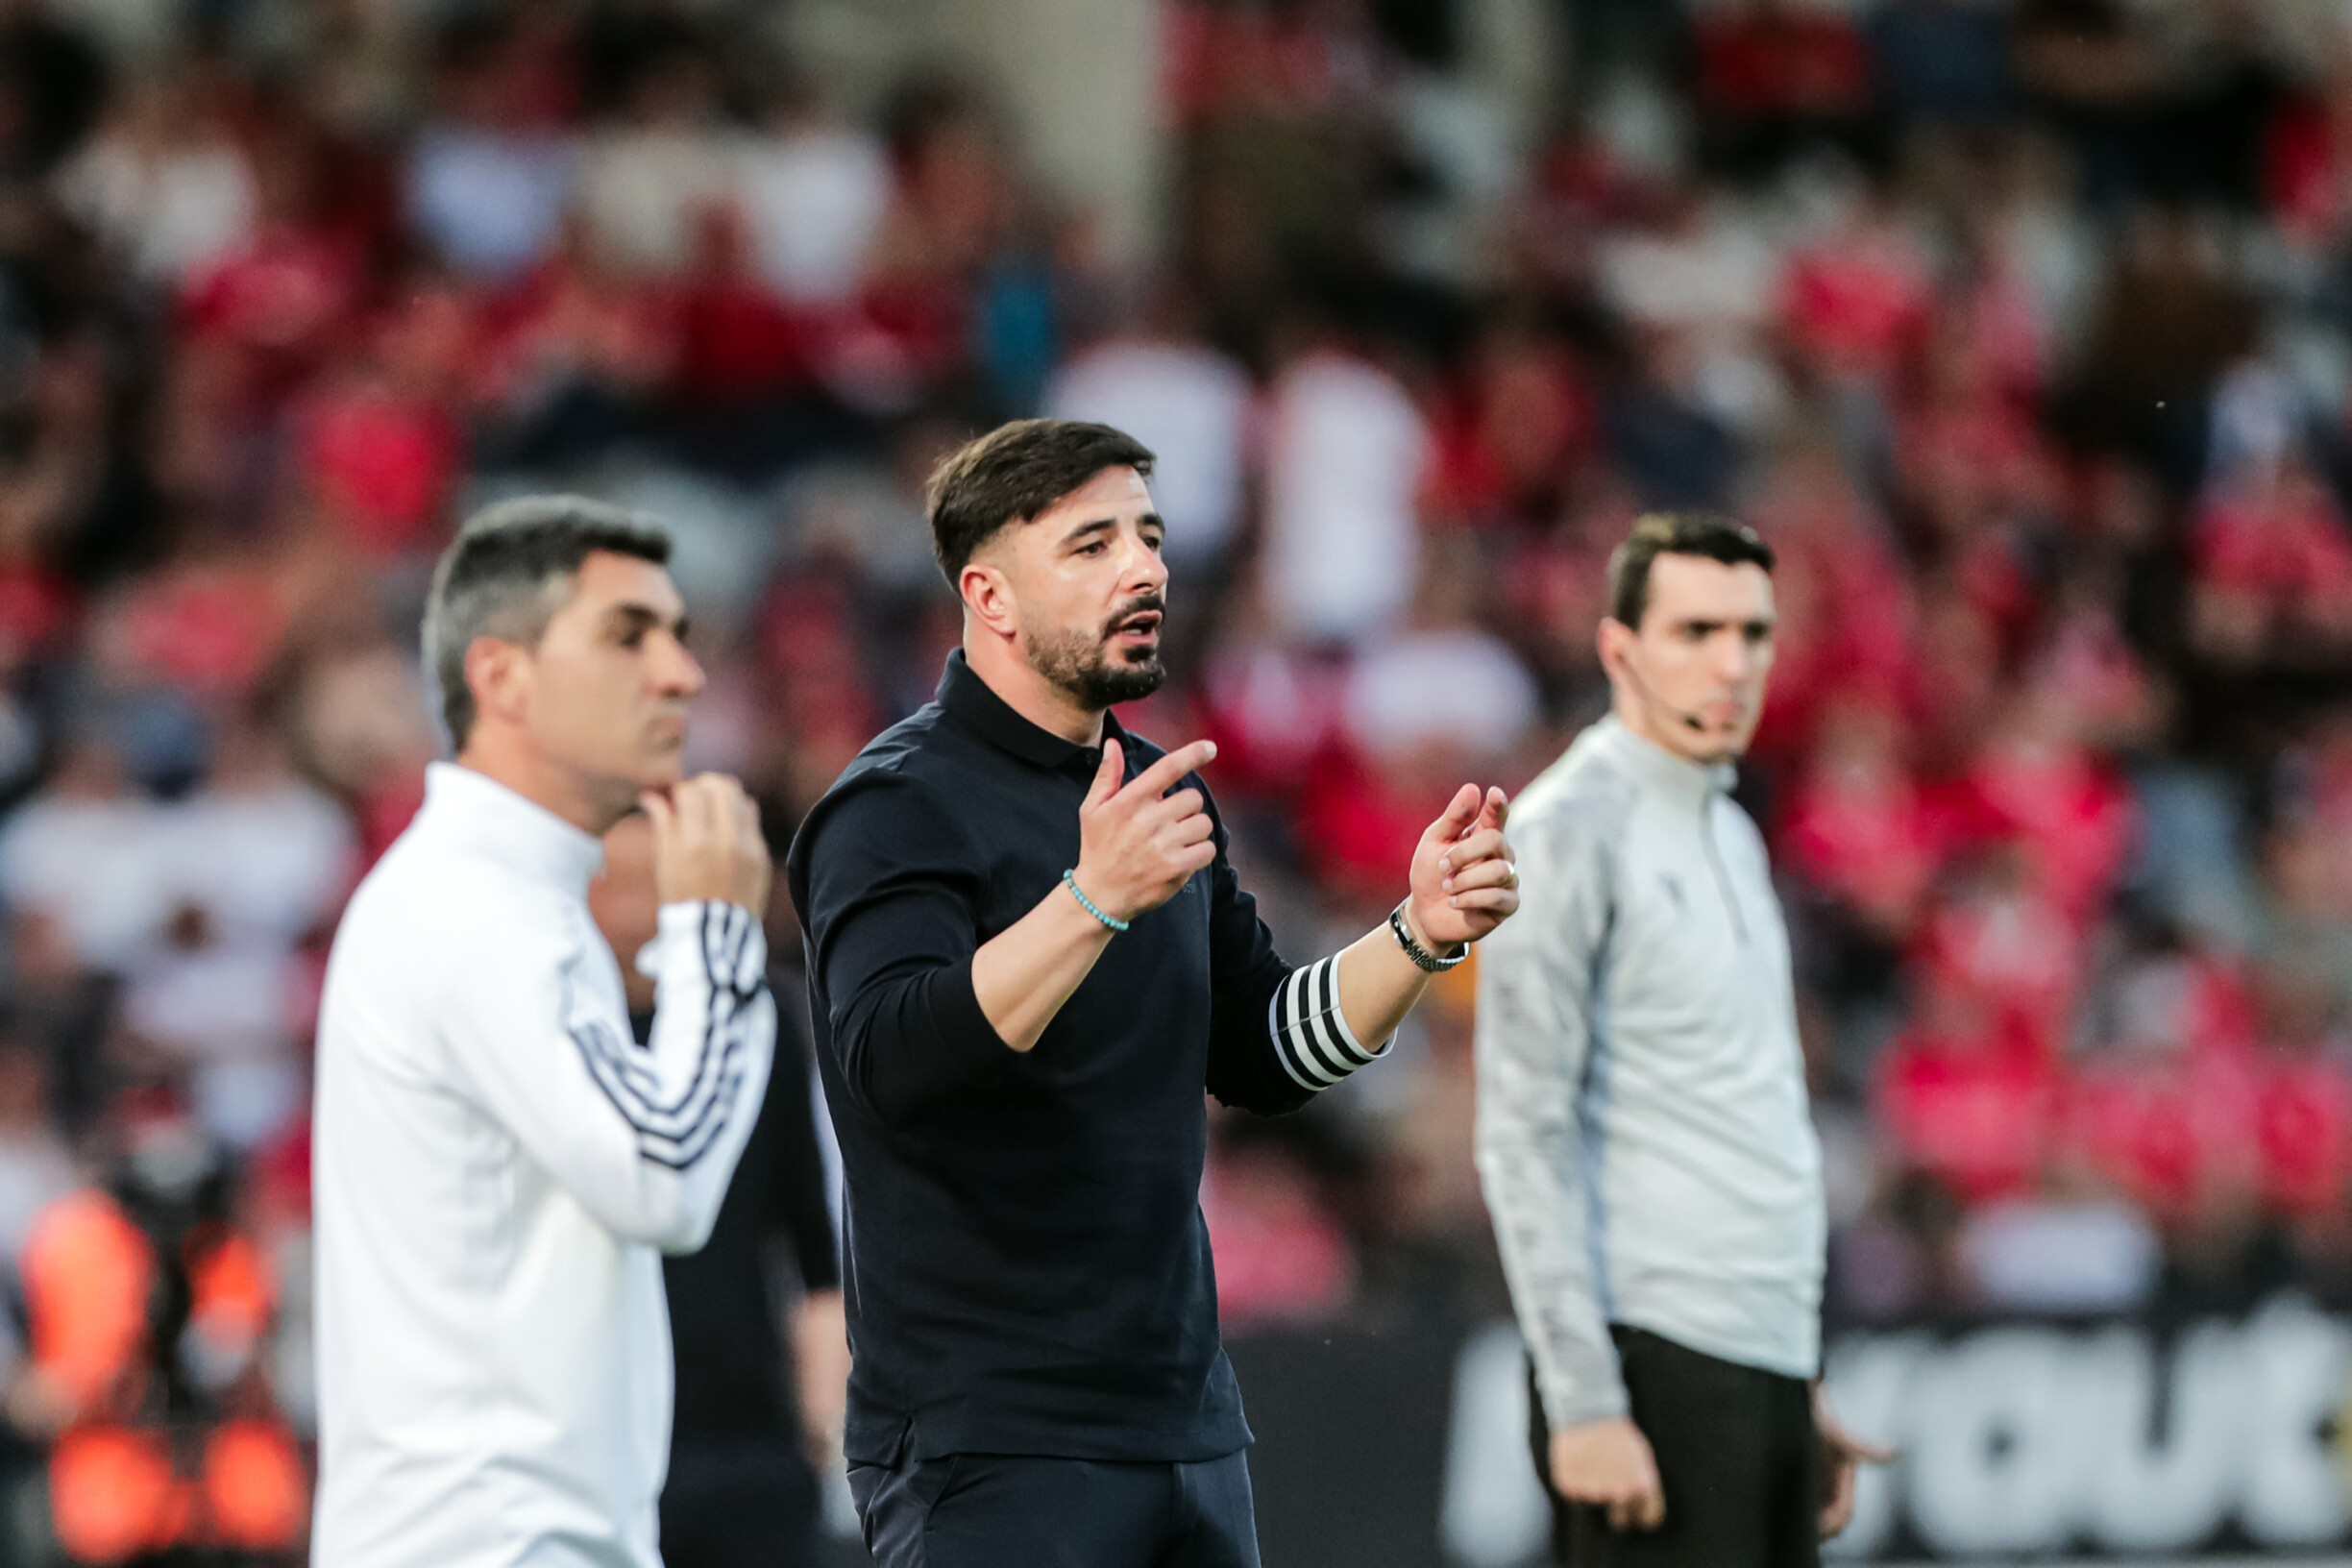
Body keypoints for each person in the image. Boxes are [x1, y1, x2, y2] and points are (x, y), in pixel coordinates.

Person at [786, 418, 1522, 1567]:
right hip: (991, 1444)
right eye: (1090, 546)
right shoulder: (891, 809)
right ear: (991, 594)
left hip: (1184, 1426)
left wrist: (1417, 934)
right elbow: (892, 1067)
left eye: (1149, 536)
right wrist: (1093, 900)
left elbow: (1262, 1055)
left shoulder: (1156, 789)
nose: (1145, 569)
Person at [310, 497, 778, 1568]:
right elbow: (662, 1179)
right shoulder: (480, 911)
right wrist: (713, 934)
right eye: (627, 636)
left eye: (678, 635)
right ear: (501, 677)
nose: (680, 674)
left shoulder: (493, 896)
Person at [1474, 511, 1890, 1568]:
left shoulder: (1730, 827)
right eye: (1697, 631)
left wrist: (1790, 1376)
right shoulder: (1566, 829)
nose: (1733, 663)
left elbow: (1737, 1101)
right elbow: (1523, 1128)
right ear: (1619, 648)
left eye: (1754, 634)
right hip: (1649, 1369)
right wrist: (1583, 1402)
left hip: (1754, 1362)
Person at [589, 813, 850, 1568]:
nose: (637, 912)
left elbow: (812, 1244)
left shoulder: (754, 1019)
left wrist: (822, 1423)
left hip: (746, 1434)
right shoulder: (561, 1032)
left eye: (657, 889)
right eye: (617, 887)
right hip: (607, 1441)